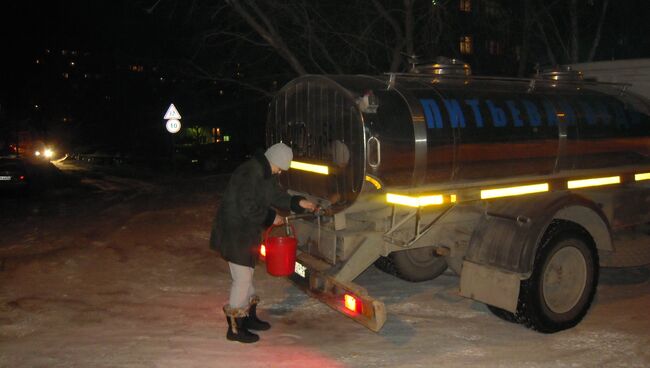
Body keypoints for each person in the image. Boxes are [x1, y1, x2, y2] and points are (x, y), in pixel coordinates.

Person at [209, 142, 316, 343]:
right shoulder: (248, 173)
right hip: (235, 233)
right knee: (241, 279)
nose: (279, 172)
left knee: (246, 276)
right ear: (273, 161)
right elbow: (246, 206)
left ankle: (248, 318)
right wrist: (270, 217)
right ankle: (234, 328)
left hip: (245, 233)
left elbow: (275, 195)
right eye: (279, 168)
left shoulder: (265, 173)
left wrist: (297, 202)